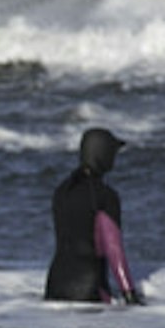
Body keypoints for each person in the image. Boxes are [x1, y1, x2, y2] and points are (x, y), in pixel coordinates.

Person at [45, 127, 145, 304]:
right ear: (103, 154)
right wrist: (129, 294)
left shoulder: (62, 191)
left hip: (54, 289)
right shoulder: (104, 196)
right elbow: (114, 250)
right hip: (89, 291)